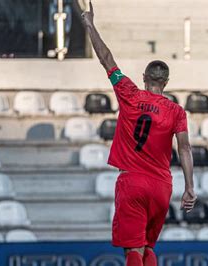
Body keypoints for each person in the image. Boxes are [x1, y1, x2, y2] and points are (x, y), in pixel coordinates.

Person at [81, 2, 197, 266]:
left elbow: (107, 60)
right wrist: (189, 187)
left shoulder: (129, 93)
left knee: (132, 249)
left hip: (132, 181)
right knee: (148, 245)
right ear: (166, 83)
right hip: (161, 186)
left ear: (144, 77)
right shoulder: (176, 111)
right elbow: (185, 149)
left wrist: (90, 25)